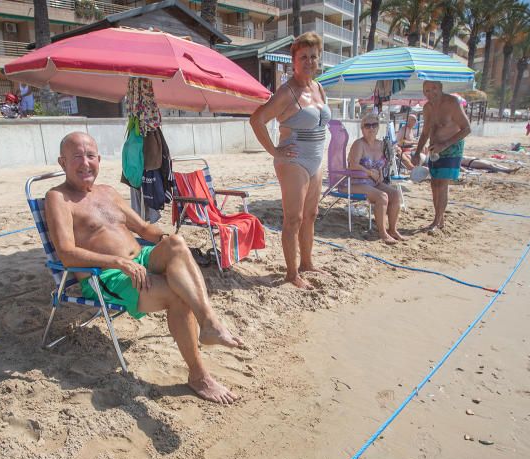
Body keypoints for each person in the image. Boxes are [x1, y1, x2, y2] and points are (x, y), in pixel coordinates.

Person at [43, 132, 244, 404]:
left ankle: (209, 323)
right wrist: (118, 262)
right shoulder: (58, 198)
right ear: (62, 162)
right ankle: (199, 376)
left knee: (175, 242)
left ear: (99, 160)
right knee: (177, 295)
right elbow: (66, 254)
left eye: (90, 155)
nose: (85, 163)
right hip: (106, 275)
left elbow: (144, 229)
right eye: (76, 156)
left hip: (141, 259)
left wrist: (170, 242)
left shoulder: (108, 193)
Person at [249, 32, 329, 290]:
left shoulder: (318, 88)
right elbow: (257, 120)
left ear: (318, 60)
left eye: (313, 57)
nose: (309, 61)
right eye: (303, 57)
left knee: (311, 214)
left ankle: (307, 263)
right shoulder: (287, 92)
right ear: (294, 61)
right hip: (293, 161)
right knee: (293, 218)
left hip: (316, 159)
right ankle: (292, 273)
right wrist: (275, 151)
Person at [412, 81, 471, 232]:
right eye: (426, 90)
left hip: (451, 148)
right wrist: (418, 152)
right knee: (434, 184)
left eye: (433, 89)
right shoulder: (427, 108)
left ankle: (436, 222)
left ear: (440, 88)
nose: (430, 93)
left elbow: (466, 128)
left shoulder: (452, 103)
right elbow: (425, 132)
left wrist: (445, 145)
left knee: (442, 184)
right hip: (434, 149)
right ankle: (440, 217)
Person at [347, 112, 402, 243]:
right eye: (367, 125)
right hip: (355, 182)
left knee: (395, 194)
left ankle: (393, 229)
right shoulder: (358, 144)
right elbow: (353, 165)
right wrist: (371, 173)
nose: (371, 128)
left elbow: (382, 164)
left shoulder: (381, 144)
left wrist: (380, 172)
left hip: (373, 183)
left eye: (374, 125)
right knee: (382, 196)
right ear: (362, 129)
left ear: (378, 127)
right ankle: (383, 233)